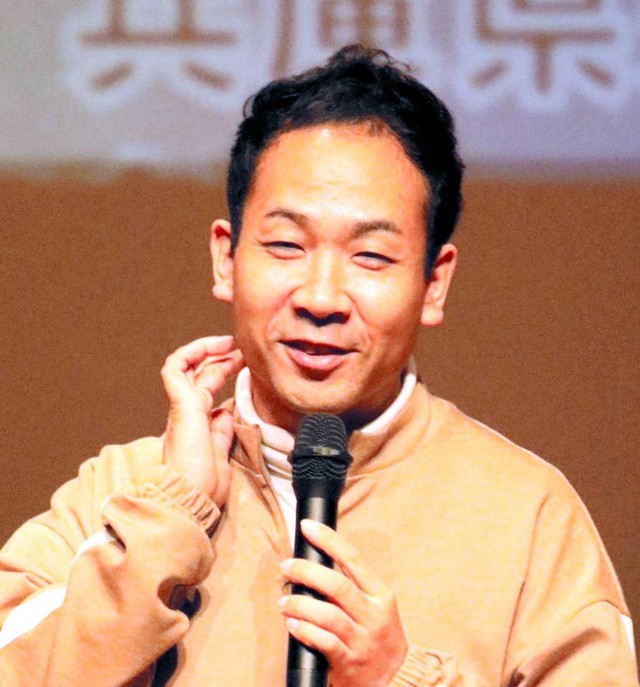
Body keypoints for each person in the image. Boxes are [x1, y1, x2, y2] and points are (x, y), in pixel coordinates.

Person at [0, 45, 636, 687]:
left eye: (371, 257)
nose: (322, 298)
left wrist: (397, 677)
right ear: (226, 258)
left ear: (434, 283)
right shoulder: (126, 496)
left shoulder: (526, 515)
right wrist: (169, 522)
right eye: (285, 245)